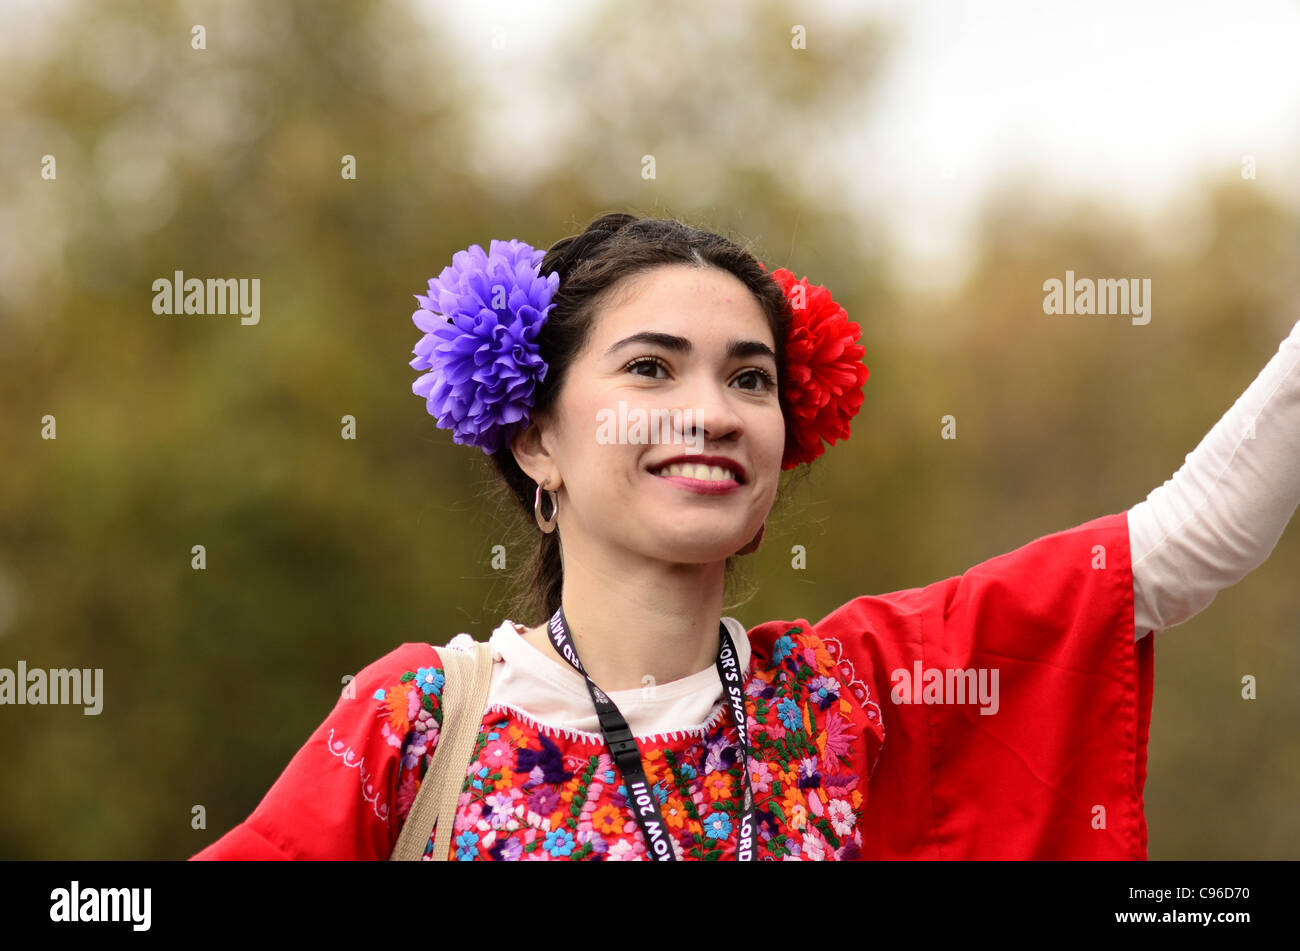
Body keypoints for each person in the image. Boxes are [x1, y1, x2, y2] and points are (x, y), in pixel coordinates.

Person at [190, 213, 1300, 861]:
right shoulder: (419, 723)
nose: (712, 411)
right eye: (650, 368)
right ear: (536, 438)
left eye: (750, 377)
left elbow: (1177, 546)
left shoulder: (853, 697)